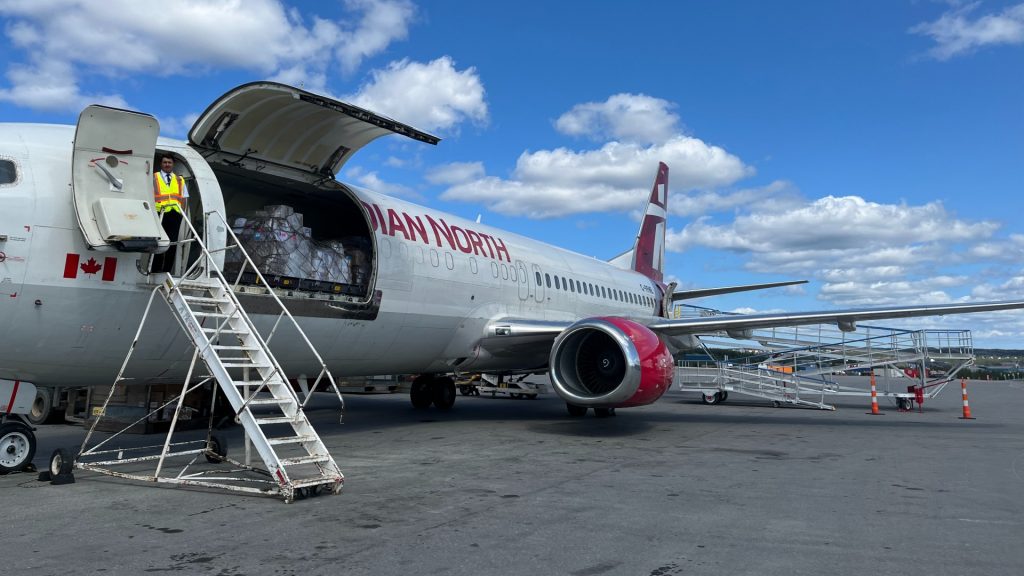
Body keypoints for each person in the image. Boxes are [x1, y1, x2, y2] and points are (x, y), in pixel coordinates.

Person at [152, 154, 188, 272]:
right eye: (165, 162)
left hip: (174, 214)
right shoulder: (154, 177)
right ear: (161, 164)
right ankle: (155, 269)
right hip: (159, 213)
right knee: (158, 243)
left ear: (173, 164)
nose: (167, 164)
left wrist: (181, 214)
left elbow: (184, 198)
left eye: (169, 162)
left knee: (172, 244)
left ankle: (166, 269)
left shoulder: (180, 180)